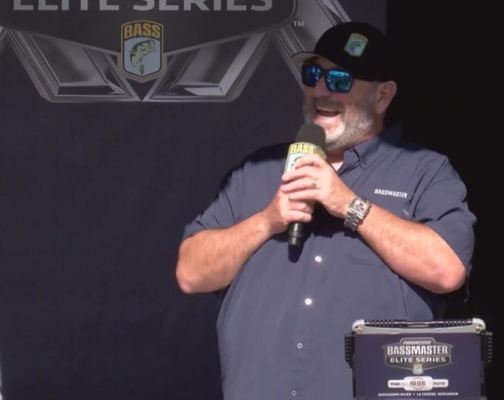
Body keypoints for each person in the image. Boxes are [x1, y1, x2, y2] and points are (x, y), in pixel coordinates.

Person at [176, 21, 476, 400]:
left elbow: (447, 271)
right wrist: (267, 221)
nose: (320, 91)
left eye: (339, 80)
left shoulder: (424, 171)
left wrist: (349, 204)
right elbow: (191, 273)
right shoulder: (258, 171)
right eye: (312, 75)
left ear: (382, 96)